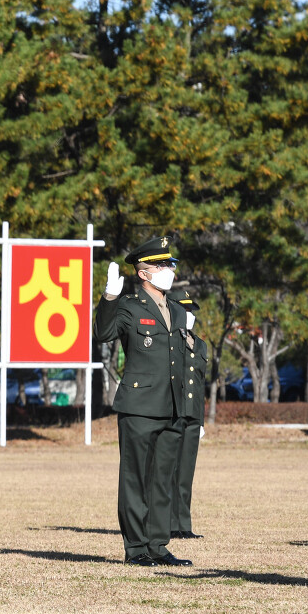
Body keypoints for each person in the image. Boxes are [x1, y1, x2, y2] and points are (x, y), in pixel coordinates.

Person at [93, 235, 192, 567]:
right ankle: (136, 548)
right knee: (135, 478)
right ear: (144, 273)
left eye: (169, 265)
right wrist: (108, 297)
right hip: (139, 404)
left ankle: (157, 545)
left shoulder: (177, 310)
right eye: (161, 266)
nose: (168, 271)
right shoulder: (129, 306)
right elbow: (103, 333)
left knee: (163, 479)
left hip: (172, 405)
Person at [170, 290, 207, 541]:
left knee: (185, 474)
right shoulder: (169, 341)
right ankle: (168, 524)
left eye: (192, 311)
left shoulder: (200, 344)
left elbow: (200, 383)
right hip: (173, 412)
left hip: (192, 416)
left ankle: (184, 524)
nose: (189, 315)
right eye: (185, 310)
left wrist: (201, 421)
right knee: (169, 472)